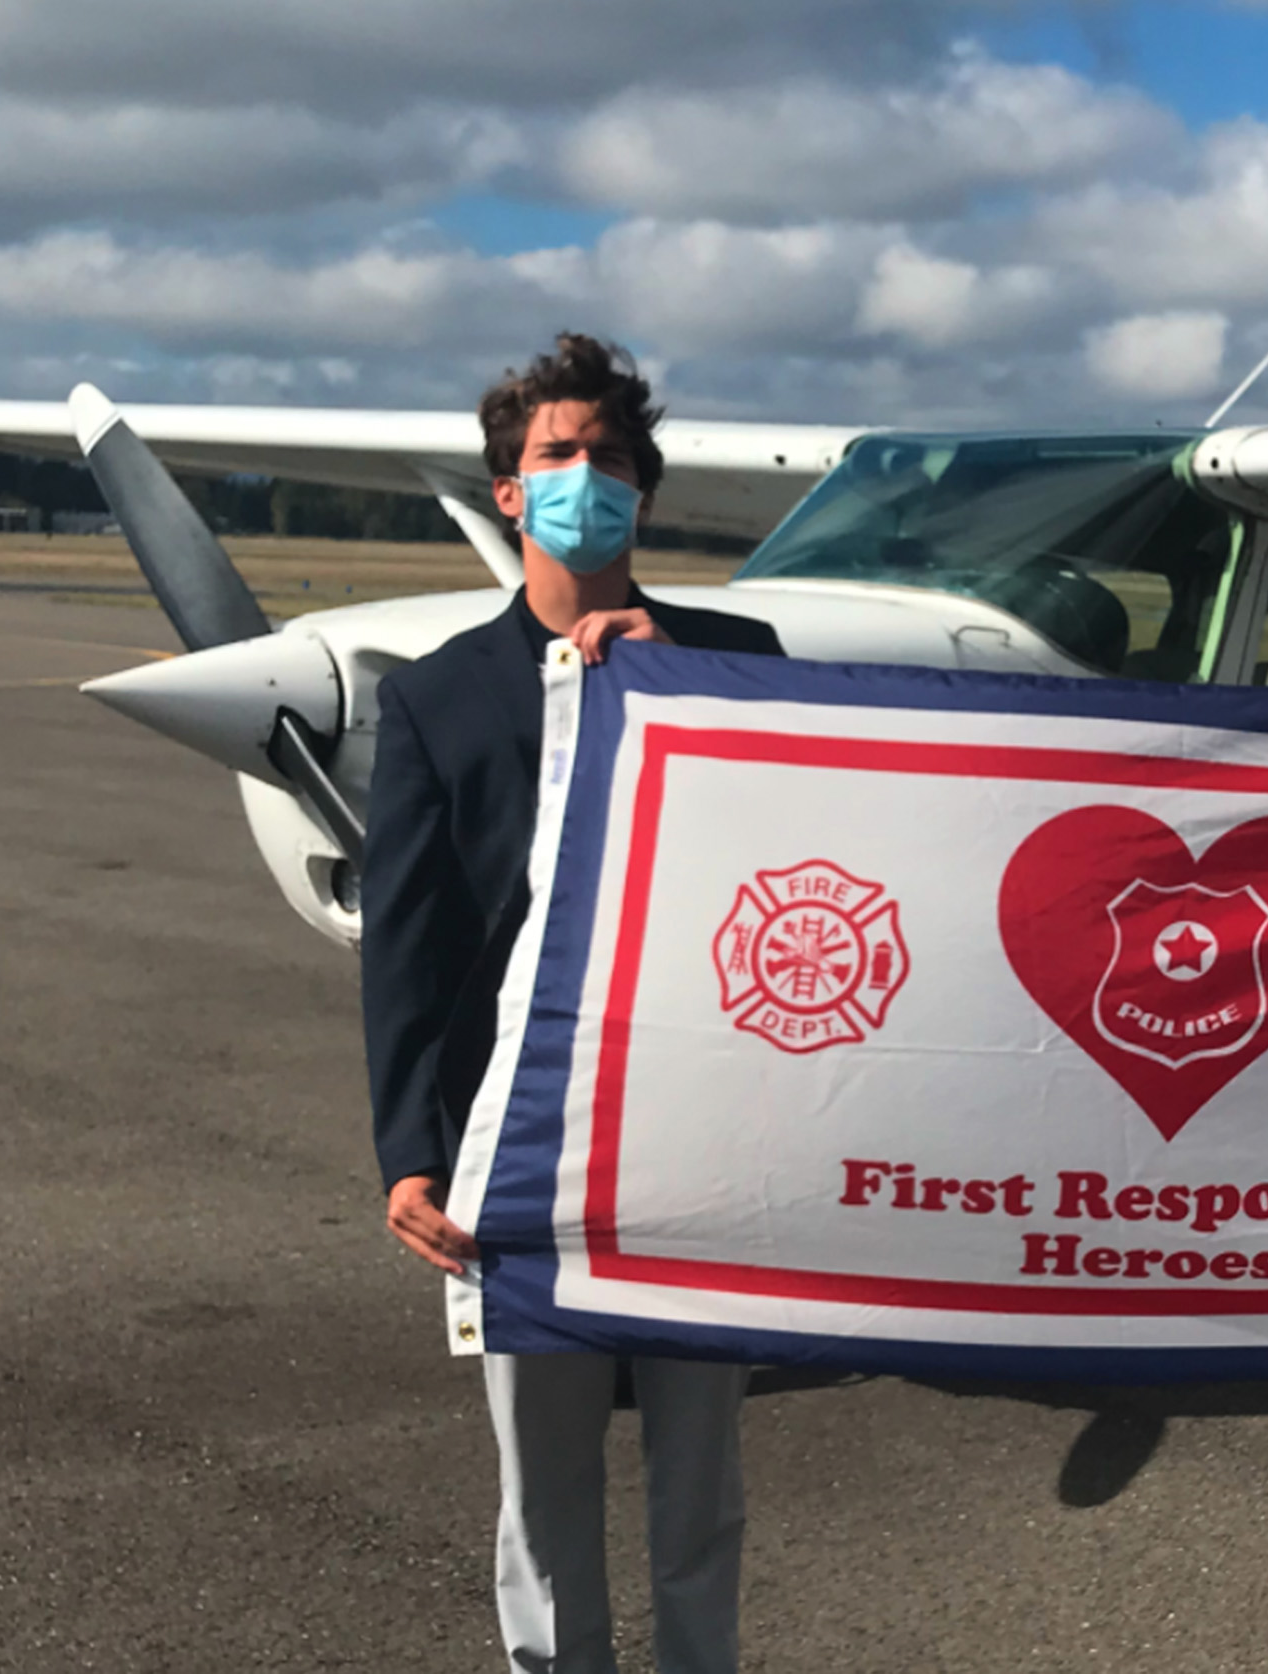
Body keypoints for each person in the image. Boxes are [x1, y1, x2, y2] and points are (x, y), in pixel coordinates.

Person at [364, 333, 784, 1674]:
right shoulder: (436, 699)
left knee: (699, 1481)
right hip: (519, 1144)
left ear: (643, 489)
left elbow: (798, 866)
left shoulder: (739, 657)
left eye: (608, 456)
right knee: (541, 1495)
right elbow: (410, 946)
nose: (583, 476)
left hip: (696, 1138)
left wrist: (694, 687)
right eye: (556, 456)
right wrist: (407, 1147)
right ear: (507, 491)